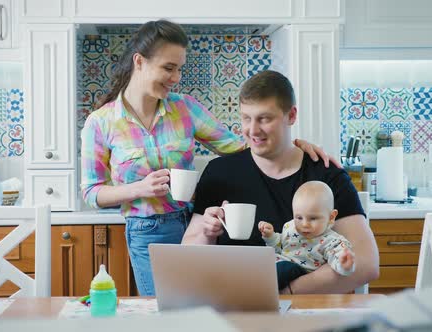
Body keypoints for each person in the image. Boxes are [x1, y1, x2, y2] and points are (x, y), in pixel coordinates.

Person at [81, 20, 334, 296]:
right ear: (139, 62)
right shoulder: (101, 122)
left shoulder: (184, 108)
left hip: (197, 224)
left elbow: (241, 147)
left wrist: (292, 143)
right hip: (147, 232)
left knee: (202, 304)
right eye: (168, 68)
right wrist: (139, 189)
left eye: (179, 68)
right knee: (166, 309)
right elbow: (92, 192)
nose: (176, 77)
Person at [182, 70, 379, 294]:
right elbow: (187, 256)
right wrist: (206, 234)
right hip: (234, 305)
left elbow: (366, 263)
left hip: (308, 311)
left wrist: (287, 293)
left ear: (291, 115)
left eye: (264, 119)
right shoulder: (219, 172)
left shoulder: (326, 174)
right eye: (246, 118)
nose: (253, 130)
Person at [258, 181, 355, 292]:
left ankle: (259, 291)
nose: (304, 224)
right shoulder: (290, 227)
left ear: (331, 217)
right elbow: (279, 247)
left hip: (301, 274)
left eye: (313, 218)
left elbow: (337, 259)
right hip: (275, 267)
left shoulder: (331, 241)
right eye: (299, 218)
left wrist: (345, 265)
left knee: (283, 268)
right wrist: (270, 236)